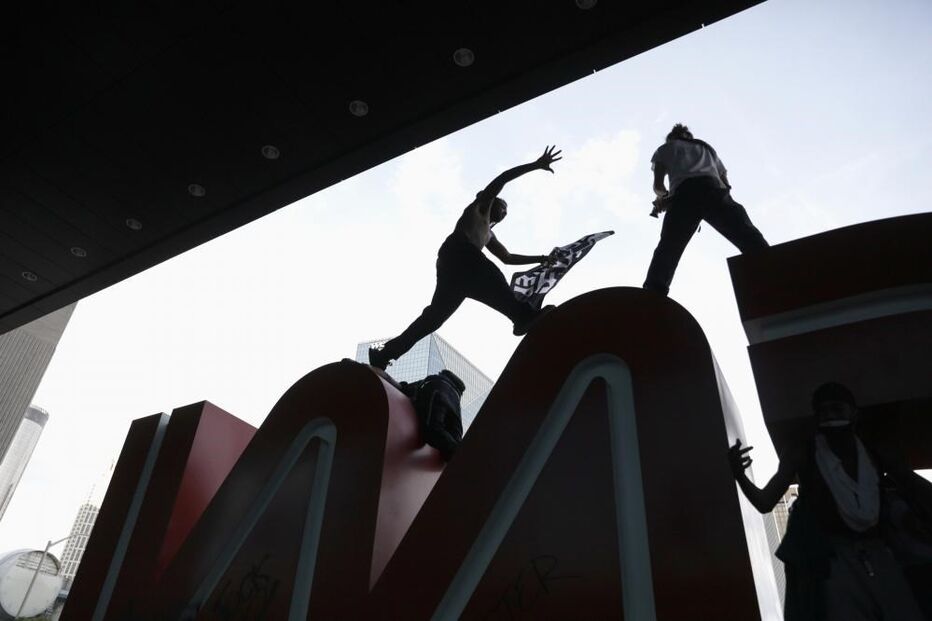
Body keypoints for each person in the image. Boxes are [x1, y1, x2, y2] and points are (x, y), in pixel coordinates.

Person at [728, 382, 928, 620]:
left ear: (854, 413)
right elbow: (765, 502)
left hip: (879, 553)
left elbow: (913, 484)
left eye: (836, 409)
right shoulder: (803, 453)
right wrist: (739, 476)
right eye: (824, 412)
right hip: (833, 560)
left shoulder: (875, 450)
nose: (830, 417)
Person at [369, 146, 562, 370]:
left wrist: (540, 258)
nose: (504, 211)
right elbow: (502, 178)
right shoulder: (479, 208)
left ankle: (386, 354)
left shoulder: (488, 234)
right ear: (491, 201)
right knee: (491, 274)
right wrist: (535, 165)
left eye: (506, 211)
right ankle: (521, 315)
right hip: (459, 253)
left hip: (456, 271)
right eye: (502, 205)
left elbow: (507, 257)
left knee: (434, 318)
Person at [643, 123, 768, 296]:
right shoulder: (707, 149)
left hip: (683, 196)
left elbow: (658, 186)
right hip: (714, 191)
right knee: (748, 236)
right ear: (689, 135)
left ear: (671, 137)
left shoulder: (665, 149)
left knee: (669, 248)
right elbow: (725, 183)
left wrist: (664, 199)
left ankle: (652, 295)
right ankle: (772, 269)